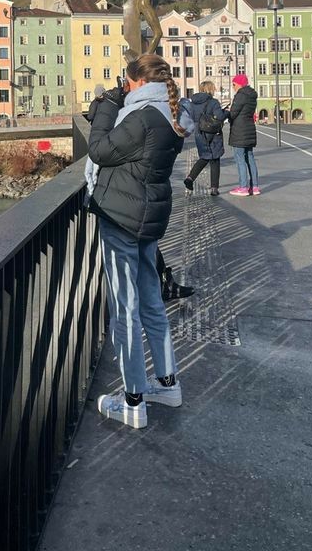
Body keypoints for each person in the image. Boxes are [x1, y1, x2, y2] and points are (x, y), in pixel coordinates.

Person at [86, 54, 193, 429]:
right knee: (150, 300)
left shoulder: (141, 117)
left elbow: (99, 149)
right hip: (149, 219)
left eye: (125, 83)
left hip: (121, 219)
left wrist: (106, 107)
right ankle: (166, 383)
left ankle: (132, 401)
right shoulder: (169, 114)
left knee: (125, 308)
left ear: (133, 82)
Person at [183, 80, 228, 196]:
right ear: (210, 89)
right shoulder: (213, 102)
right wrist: (226, 112)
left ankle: (190, 178)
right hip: (213, 132)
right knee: (215, 159)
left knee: (204, 157)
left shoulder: (193, 103)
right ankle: (214, 188)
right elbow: (219, 116)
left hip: (199, 133)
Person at [228, 73, 260, 196]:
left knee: (240, 158)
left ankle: (243, 187)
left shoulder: (240, 95)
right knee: (250, 158)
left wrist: (227, 114)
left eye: (234, 84)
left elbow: (233, 114)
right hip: (249, 129)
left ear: (239, 84)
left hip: (239, 131)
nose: (233, 87)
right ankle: (255, 186)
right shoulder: (252, 95)